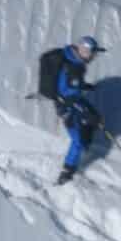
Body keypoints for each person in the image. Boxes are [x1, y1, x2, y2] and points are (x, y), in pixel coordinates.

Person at [49, 35, 103, 184]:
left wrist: (84, 86)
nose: (93, 56)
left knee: (95, 118)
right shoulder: (73, 67)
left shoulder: (73, 59)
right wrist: (85, 113)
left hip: (74, 99)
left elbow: (69, 84)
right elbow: (69, 97)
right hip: (67, 107)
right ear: (84, 51)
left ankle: (87, 142)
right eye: (92, 53)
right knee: (77, 140)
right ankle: (67, 171)